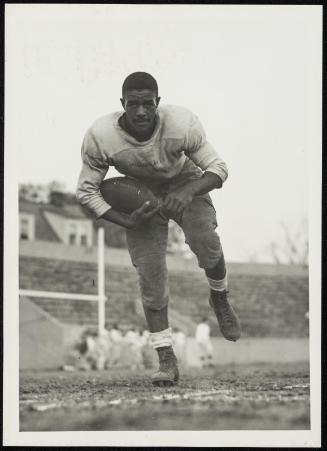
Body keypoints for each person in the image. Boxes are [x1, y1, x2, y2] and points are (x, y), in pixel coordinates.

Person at [76, 71, 241, 386]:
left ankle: (219, 296)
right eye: (133, 104)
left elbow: (219, 168)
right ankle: (166, 359)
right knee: (150, 275)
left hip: (184, 181)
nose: (140, 111)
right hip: (140, 195)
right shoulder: (100, 135)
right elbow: (86, 192)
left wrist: (188, 191)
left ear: (158, 103)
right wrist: (125, 219)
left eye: (147, 104)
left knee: (204, 237)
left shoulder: (181, 123)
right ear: (122, 104)